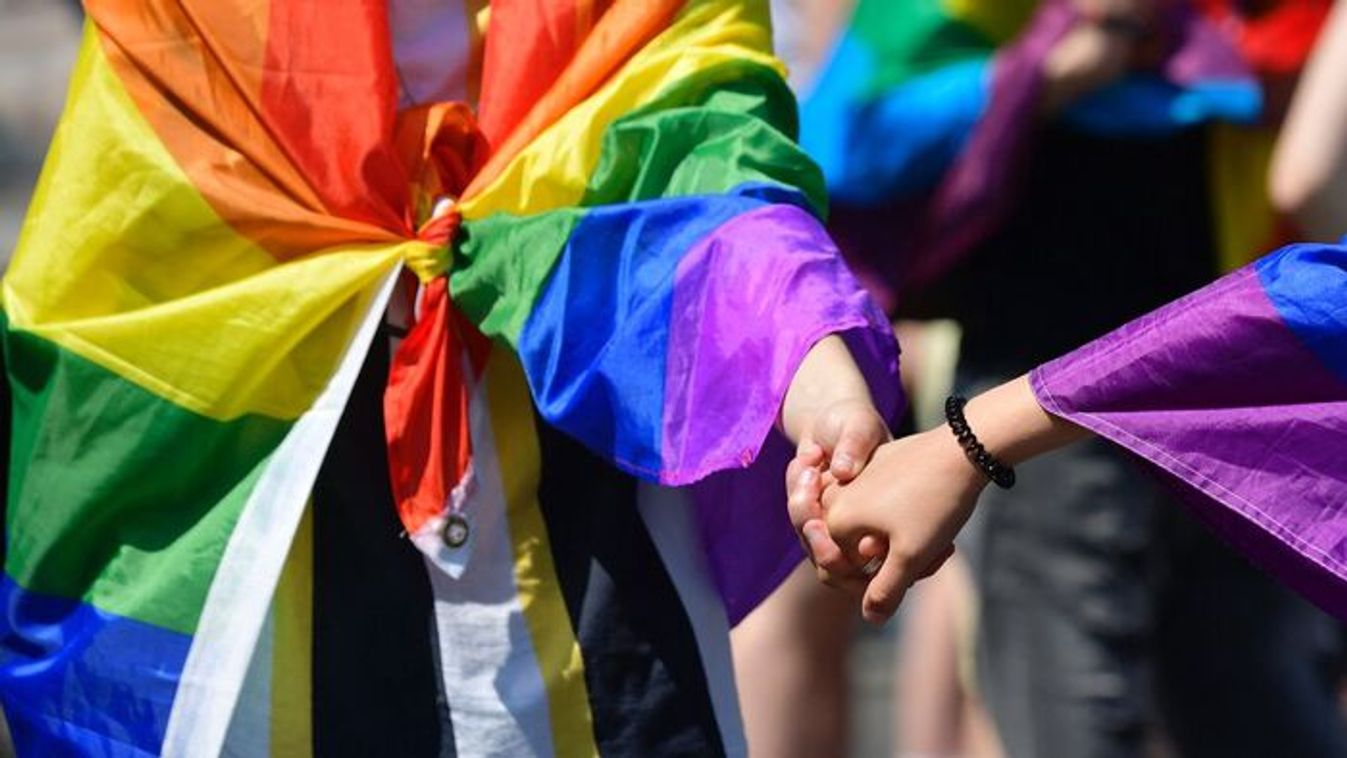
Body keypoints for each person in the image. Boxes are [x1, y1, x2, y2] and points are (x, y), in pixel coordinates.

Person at [0, 2, 902, 755]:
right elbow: (138, 220)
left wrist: (816, 374)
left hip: (577, 440)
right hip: (249, 456)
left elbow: (708, 156)